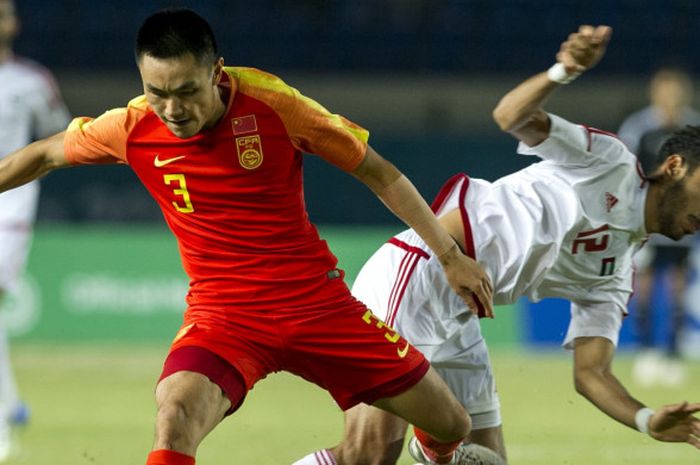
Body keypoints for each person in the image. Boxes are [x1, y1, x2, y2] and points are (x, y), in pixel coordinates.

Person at [0, 7, 503, 465]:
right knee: (174, 417)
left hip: (318, 305)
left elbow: (380, 172)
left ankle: (436, 455)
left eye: (186, 91)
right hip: (224, 315)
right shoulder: (131, 127)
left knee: (452, 423)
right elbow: (42, 154)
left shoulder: (274, 106)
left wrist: (448, 254)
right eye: (158, 93)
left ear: (216, 72)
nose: (172, 109)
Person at [294, 25, 700, 465]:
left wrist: (645, 419)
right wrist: (564, 70)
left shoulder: (616, 272)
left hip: (460, 317)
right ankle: (435, 445)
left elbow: (592, 374)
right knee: (367, 457)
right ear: (674, 166)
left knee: (489, 461)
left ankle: (436, 445)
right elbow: (510, 115)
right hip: (418, 275)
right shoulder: (610, 162)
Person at [0, 0, 70, 460]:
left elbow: (59, 135)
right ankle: (10, 403)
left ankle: (5, 416)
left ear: (14, 23)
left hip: (8, 211)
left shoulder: (32, 81)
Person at [618, 68, 700, 388]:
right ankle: (646, 351)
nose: (670, 99)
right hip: (648, 220)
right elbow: (625, 171)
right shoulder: (640, 128)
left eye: (675, 92)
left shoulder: (692, 126)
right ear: (656, 95)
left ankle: (673, 354)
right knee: (647, 287)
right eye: (664, 92)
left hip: (685, 222)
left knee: (678, 288)